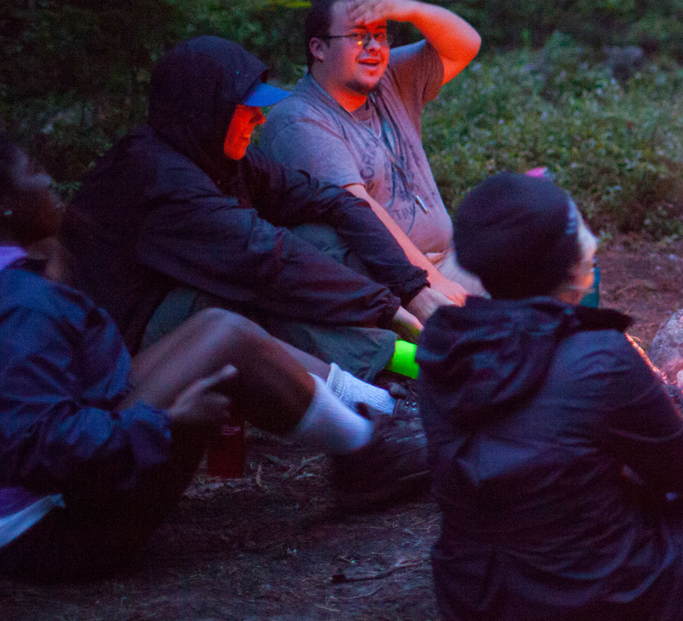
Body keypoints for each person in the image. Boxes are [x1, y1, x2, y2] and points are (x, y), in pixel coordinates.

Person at [419, 173, 683, 621]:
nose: (591, 240)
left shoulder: (445, 349)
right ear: (564, 263)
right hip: (612, 618)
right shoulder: (597, 356)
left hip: (477, 607)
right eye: (577, 229)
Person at [0, 136, 425, 581]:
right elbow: (34, 441)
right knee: (224, 338)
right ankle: (368, 448)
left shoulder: (21, 286)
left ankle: (382, 412)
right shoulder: (22, 304)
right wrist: (164, 423)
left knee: (214, 327)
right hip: (52, 532)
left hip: (61, 490)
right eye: (32, 169)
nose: (49, 180)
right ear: (5, 204)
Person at [61, 36, 433, 389]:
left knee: (317, 237)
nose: (259, 119)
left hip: (186, 307)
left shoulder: (217, 154)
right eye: (246, 108)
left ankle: (405, 360)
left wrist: (411, 288)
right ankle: (383, 380)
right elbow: (263, 258)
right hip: (122, 348)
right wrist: (387, 308)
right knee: (237, 295)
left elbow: (333, 201)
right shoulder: (157, 175)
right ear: (207, 111)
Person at [261, 0, 483, 307]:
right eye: (358, 37)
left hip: (449, 259)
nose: (374, 48)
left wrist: (408, 7)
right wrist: (432, 282)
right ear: (318, 48)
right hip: (396, 283)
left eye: (380, 35)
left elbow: (466, 45)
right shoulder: (299, 119)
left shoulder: (388, 80)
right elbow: (359, 211)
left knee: (542, 270)